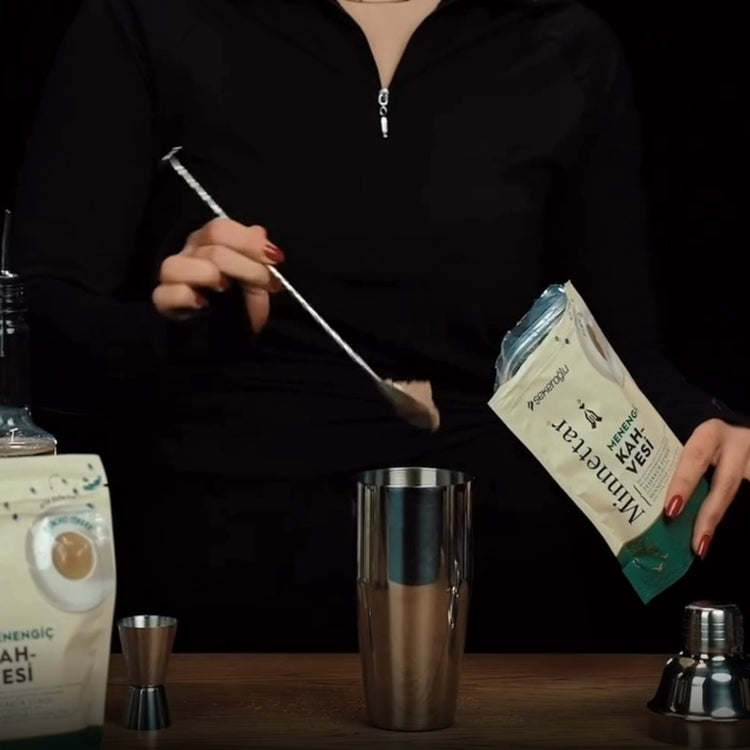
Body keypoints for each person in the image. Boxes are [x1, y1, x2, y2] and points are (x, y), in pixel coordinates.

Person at [10, 0, 750, 653]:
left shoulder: (562, 40)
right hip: (220, 586)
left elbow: (620, 344)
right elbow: (38, 337)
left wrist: (703, 421)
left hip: (494, 595)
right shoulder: (150, 19)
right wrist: (174, 321)